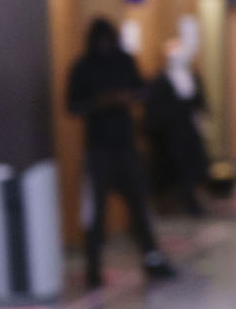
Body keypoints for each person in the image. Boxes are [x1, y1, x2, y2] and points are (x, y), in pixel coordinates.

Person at [67, 17, 176, 289]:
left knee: (139, 208)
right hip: (98, 150)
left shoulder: (124, 62)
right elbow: (73, 105)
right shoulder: (83, 67)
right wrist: (99, 103)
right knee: (96, 214)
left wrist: (128, 97)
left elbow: (143, 90)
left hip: (125, 147)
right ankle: (93, 268)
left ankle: (152, 260)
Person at [145, 33, 210, 215]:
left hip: (189, 131)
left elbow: (200, 103)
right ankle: (173, 203)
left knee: (192, 168)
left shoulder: (192, 79)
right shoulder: (160, 81)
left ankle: (191, 201)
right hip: (170, 135)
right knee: (172, 169)